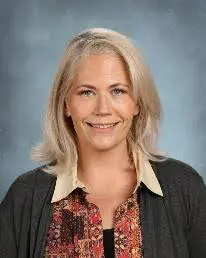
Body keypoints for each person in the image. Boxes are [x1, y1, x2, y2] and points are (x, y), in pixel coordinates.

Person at [0, 28, 206, 258]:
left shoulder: (185, 188)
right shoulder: (24, 198)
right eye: (87, 92)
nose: (103, 109)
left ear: (137, 102)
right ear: (66, 104)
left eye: (117, 91)